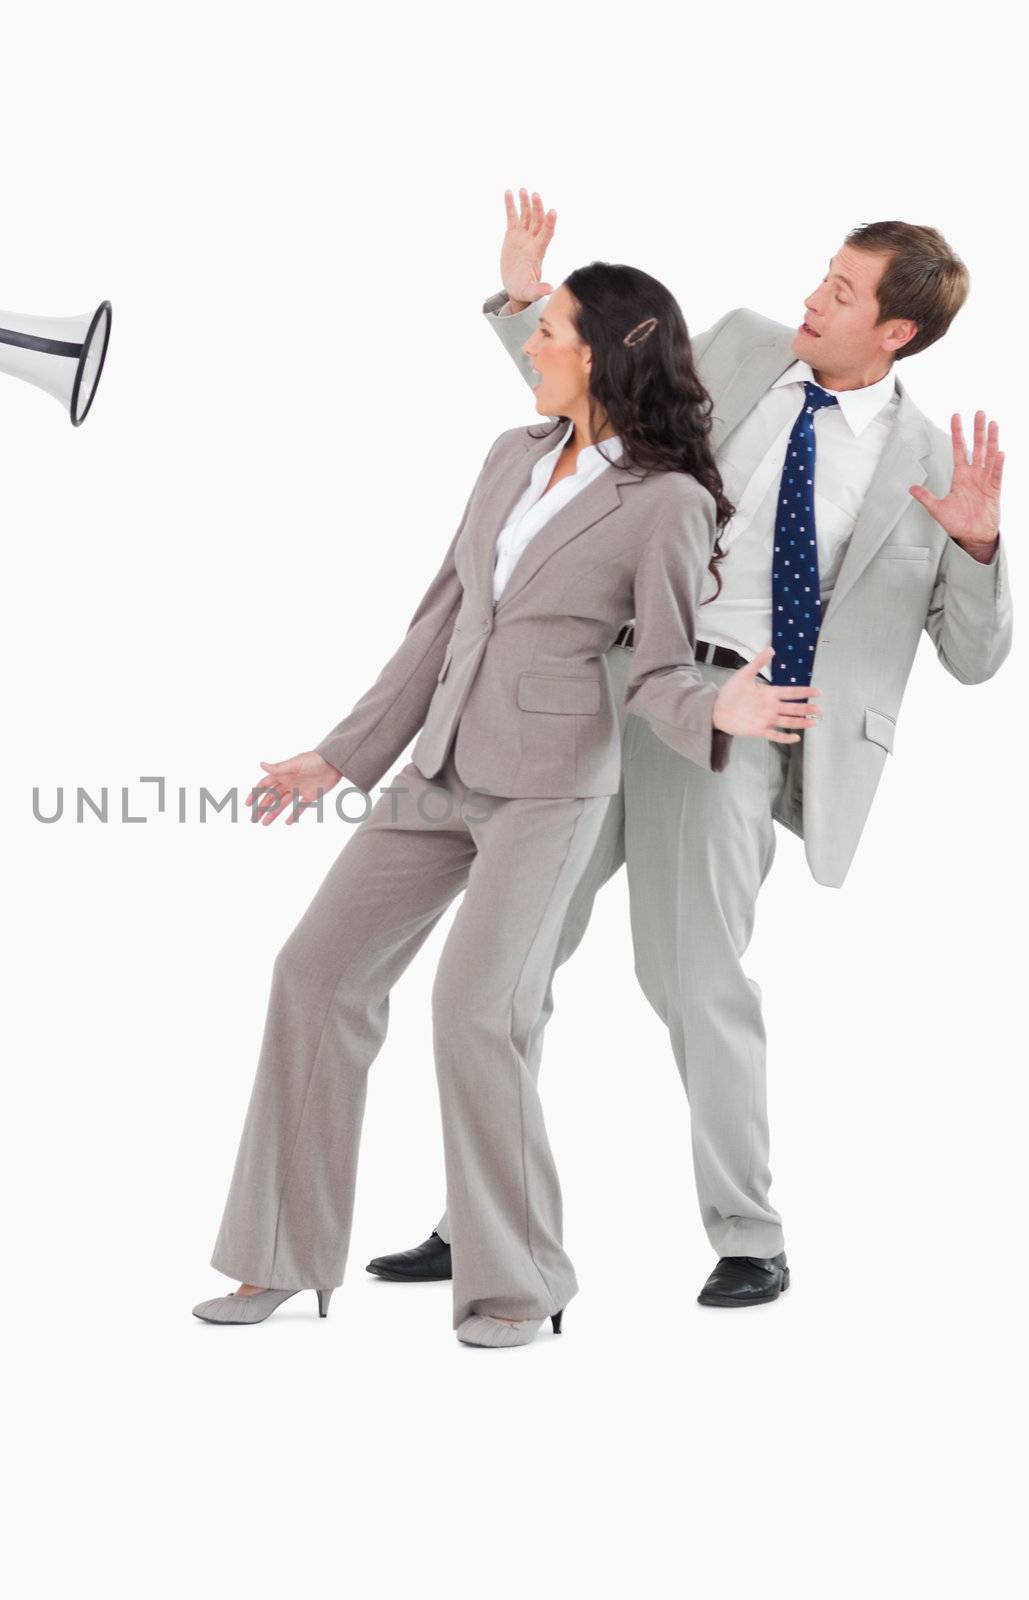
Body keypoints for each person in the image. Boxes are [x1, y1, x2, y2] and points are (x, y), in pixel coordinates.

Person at [368, 189, 1012, 1309]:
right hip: (595, 682)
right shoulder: (743, 346)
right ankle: (476, 1218)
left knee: (693, 977)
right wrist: (525, 301)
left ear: (895, 333)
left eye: (842, 292)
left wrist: (977, 543)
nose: (813, 297)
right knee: (507, 965)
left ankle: (747, 1230)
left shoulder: (926, 462)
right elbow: (596, 398)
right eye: (823, 273)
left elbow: (972, 654)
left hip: (735, 721)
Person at [193, 261, 819, 1348]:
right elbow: (437, 623)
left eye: (553, 331)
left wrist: (724, 704)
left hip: (550, 785)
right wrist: (340, 759)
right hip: (437, 765)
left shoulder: (667, 500)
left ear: (607, 352)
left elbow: (658, 668)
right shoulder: (507, 458)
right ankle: (281, 1256)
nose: (532, 346)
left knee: (475, 1010)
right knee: (313, 973)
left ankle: (517, 1281)